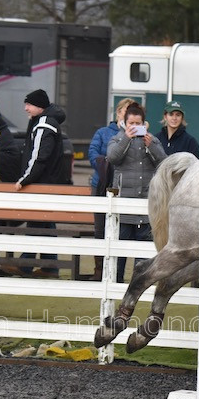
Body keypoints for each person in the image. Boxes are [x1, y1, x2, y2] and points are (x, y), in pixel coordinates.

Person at [1, 89, 68, 278]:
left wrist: (24, 180)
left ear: (39, 106)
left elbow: (39, 157)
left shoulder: (44, 124)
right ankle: (50, 267)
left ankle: (25, 264)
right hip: (47, 183)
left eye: (29, 104)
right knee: (45, 225)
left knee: (37, 224)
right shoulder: (45, 122)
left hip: (41, 184)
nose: (25, 108)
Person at [106, 102, 167, 282]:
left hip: (146, 205)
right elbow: (112, 158)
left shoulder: (153, 140)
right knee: (119, 252)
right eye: (131, 123)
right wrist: (126, 138)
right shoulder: (117, 139)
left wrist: (152, 146)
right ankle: (114, 284)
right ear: (125, 123)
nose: (134, 127)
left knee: (143, 255)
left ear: (144, 123)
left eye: (137, 123)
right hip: (123, 206)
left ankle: (138, 287)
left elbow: (164, 163)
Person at [85, 98, 136, 280]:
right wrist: (106, 165)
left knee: (120, 231)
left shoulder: (137, 134)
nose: (127, 113)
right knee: (100, 231)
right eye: (125, 110)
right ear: (118, 113)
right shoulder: (103, 132)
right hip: (101, 185)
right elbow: (92, 153)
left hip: (125, 189)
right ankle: (100, 271)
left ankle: (116, 272)